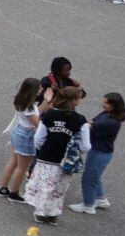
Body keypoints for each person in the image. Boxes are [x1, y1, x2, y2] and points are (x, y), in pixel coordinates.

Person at [24, 86, 91, 225]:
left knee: (44, 186)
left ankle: (40, 213)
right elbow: (86, 146)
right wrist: (76, 151)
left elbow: (38, 138)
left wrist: (43, 148)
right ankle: (52, 214)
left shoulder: (50, 114)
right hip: (66, 162)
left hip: (47, 157)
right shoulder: (81, 120)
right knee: (59, 188)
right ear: (75, 100)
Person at [70, 92, 125, 214]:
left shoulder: (111, 122)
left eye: (106, 103)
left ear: (114, 105)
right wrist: (90, 124)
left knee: (89, 178)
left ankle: (88, 205)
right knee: (95, 176)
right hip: (99, 151)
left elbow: (89, 126)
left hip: (100, 153)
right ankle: (99, 198)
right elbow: (92, 122)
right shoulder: (107, 114)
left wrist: (89, 124)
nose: (103, 104)